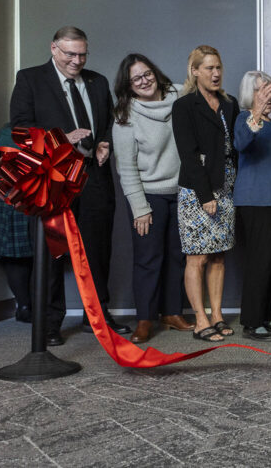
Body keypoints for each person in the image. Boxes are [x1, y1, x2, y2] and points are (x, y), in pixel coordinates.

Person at [9, 25, 129, 345]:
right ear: (53, 49)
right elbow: (20, 132)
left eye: (82, 54)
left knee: (97, 250)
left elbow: (107, 125)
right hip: (54, 178)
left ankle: (98, 316)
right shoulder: (30, 79)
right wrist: (62, 139)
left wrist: (104, 143)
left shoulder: (98, 81)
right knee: (53, 252)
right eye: (70, 54)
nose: (77, 60)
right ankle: (48, 323)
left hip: (94, 177)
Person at [112, 53, 190, 345]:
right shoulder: (125, 116)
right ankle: (145, 319)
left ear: (155, 73)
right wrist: (139, 209)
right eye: (136, 79)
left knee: (177, 257)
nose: (144, 81)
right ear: (129, 85)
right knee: (148, 259)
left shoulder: (181, 96)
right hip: (149, 197)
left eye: (147, 74)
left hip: (183, 193)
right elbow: (127, 167)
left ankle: (172, 313)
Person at [171, 46, 238, 343]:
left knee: (219, 256)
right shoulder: (184, 106)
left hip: (224, 189)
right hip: (197, 192)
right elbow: (188, 154)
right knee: (196, 258)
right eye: (209, 68)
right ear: (195, 71)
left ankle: (217, 315)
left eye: (218, 67)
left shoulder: (229, 103)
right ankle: (200, 319)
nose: (215, 73)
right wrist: (205, 195)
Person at [234, 71, 271, 342]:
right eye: (263, 92)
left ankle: (265, 317)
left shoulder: (270, 124)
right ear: (252, 94)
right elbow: (242, 143)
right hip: (256, 202)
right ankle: (251, 322)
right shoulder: (244, 118)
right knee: (259, 262)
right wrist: (255, 111)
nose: (270, 96)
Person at [0, 124, 33, 323]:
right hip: (15, 190)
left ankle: (36, 306)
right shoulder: (9, 131)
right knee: (16, 253)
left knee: (42, 253)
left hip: (43, 190)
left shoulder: (55, 128)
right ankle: (24, 306)